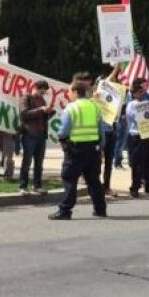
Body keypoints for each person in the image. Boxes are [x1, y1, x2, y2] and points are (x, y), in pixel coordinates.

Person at [49, 81, 108, 220]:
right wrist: (101, 148)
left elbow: (63, 132)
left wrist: (61, 139)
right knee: (94, 180)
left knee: (69, 178)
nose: (68, 94)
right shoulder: (95, 106)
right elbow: (102, 132)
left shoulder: (71, 108)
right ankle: (100, 209)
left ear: (76, 92)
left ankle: (65, 210)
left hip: (75, 150)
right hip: (93, 149)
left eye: (69, 91)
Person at [125, 78, 149, 197]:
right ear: (134, 93)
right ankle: (134, 188)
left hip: (148, 135)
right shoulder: (132, 105)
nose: (141, 94)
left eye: (142, 92)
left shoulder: (147, 103)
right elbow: (138, 118)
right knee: (137, 164)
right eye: (139, 92)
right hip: (137, 136)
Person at [18, 80, 53, 195]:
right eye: (41, 91)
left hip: (41, 135)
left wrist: (48, 113)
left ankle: (37, 186)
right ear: (35, 88)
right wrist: (40, 110)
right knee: (27, 161)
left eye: (44, 92)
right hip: (29, 134)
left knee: (39, 162)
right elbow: (24, 114)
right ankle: (23, 186)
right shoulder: (25, 98)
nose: (42, 94)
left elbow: (42, 117)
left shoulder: (42, 100)